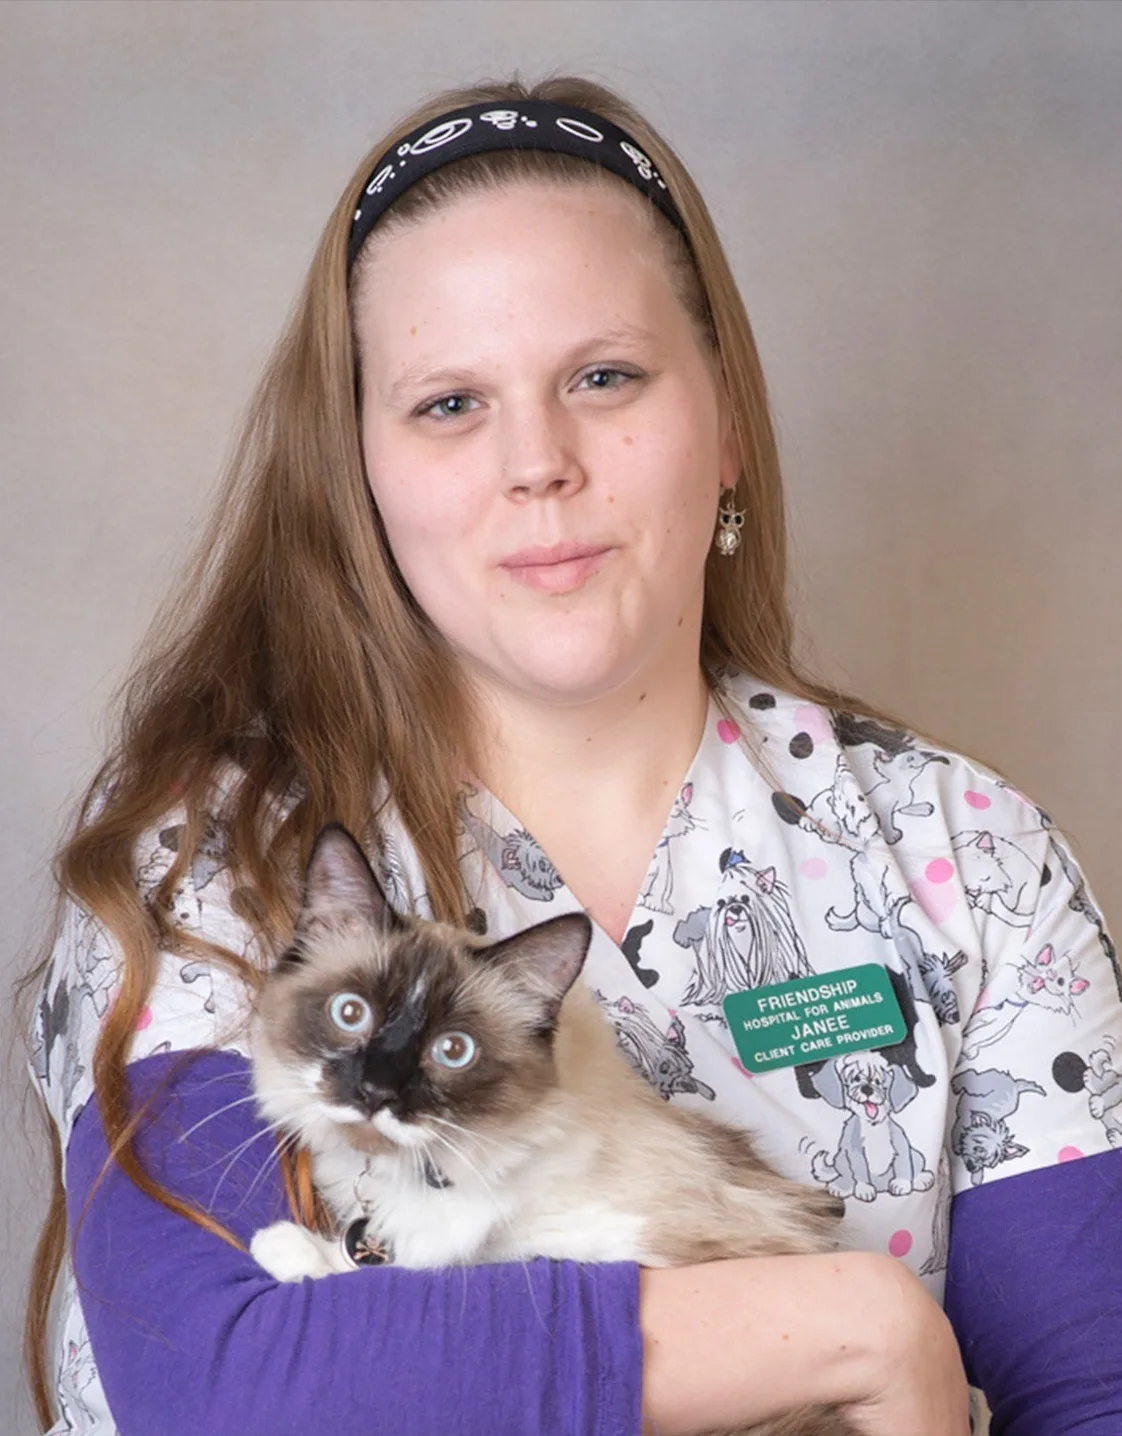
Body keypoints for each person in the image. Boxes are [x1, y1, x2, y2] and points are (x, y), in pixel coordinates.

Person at [23, 75, 1122, 1436]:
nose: (538, 462)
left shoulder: (972, 857)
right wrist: (857, 1332)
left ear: (724, 425)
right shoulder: (212, 870)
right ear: (357, 472)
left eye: (602, 378)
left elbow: (1088, 1405)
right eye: (447, 405)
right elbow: (222, 1384)